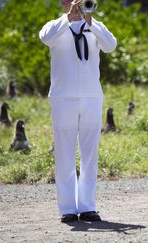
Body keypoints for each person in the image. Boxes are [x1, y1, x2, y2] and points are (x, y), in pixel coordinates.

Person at [39, 0, 117, 223]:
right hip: (63, 98)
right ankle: (68, 209)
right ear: (64, 2)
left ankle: (88, 206)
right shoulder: (54, 26)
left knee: (90, 154)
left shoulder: (95, 26)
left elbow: (111, 45)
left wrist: (90, 22)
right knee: (64, 153)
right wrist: (68, 19)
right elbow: (46, 38)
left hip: (92, 96)